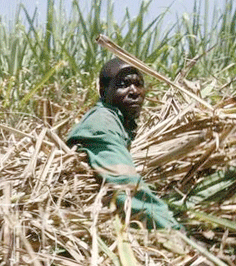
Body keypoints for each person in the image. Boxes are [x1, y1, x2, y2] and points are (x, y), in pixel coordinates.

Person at [66, 58, 182, 230]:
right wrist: (176, 233)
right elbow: (125, 187)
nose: (134, 91)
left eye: (139, 84)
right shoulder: (101, 125)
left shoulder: (121, 122)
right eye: (123, 84)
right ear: (103, 91)